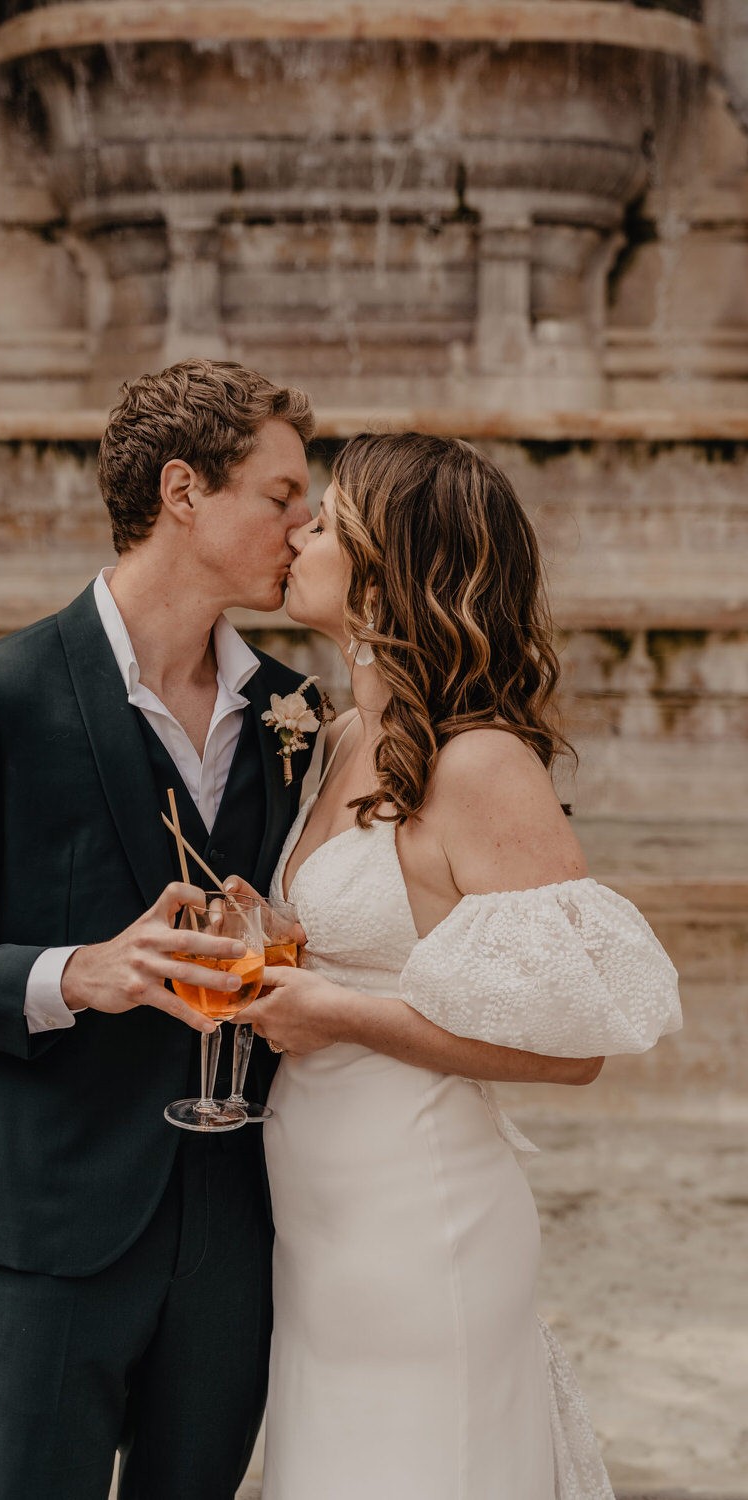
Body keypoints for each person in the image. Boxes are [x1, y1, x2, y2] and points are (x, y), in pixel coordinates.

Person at [0, 359, 325, 1500]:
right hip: (45, 1214)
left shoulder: (294, 709)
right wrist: (79, 973)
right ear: (182, 491)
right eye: (279, 496)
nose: (304, 526)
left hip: (236, 1223)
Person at [234, 432, 682, 1500]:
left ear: (387, 573)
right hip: (316, 1215)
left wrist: (336, 1013)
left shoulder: (481, 764)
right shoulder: (344, 734)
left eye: (326, 525)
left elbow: (573, 1055)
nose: (297, 531)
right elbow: (378, 935)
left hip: (420, 1212)